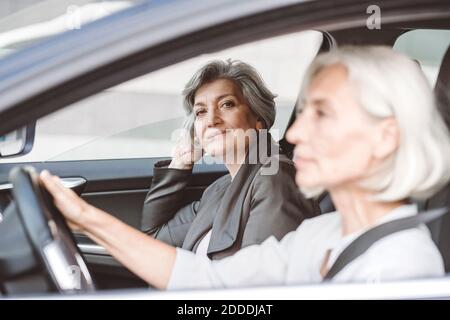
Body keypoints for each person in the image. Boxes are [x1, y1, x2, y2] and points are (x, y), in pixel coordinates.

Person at [40, 46, 450, 290]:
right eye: (201, 112)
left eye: (322, 114)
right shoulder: (318, 233)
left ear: (383, 136)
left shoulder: (402, 269)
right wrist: (85, 219)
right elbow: (212, 283)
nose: (298, 131)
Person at [140, 59, 318, 259]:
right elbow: (154, 239)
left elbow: (261, 280)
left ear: (258, 119)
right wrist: (180, 163)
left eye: (226, 104)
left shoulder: (274, 178)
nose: (211, 120)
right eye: (201, 112)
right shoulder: (219, 189)